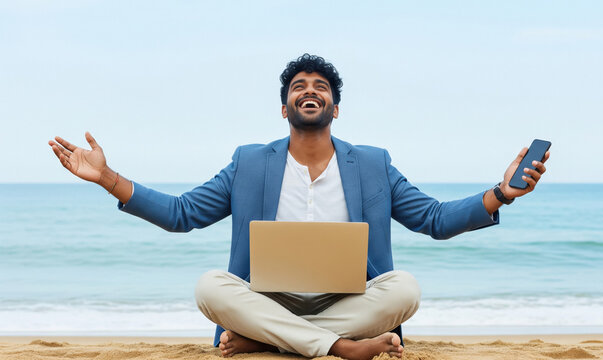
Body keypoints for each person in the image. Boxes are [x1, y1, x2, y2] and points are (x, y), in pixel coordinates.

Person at [49, 53, 549, 360]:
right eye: (298, 87)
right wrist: (107, 179)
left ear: (336, 106)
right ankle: (336, 348)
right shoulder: (247, 163)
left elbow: (435, 220)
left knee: (406, 288)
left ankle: (270, 344)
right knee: (209, 287)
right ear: (284, 106)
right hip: (268, 301)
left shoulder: (374, 165)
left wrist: (502, 192)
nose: (309, 91)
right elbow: (182, 214)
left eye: (321, 87)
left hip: (349, 304)